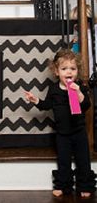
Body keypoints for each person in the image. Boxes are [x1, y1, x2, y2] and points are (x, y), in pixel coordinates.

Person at [24, 49, 96, 198]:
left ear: (77, 71)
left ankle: (85, 185)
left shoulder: (79, 87)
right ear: (56, 72)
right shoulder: (54, 89)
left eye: (73, 68)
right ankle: (63, 186)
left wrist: (79, 93)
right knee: (63, 161)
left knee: (83, 160)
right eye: (64, 69)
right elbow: (47, 105)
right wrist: (35, 100)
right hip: (62, 134)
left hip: (79, 131)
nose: (69, 72)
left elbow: (86, 106)